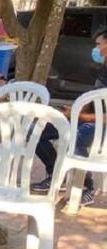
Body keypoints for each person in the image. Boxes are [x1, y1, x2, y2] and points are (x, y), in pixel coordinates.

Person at [31, 28, 107, 206]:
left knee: (75, 138)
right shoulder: (104, 67)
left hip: (99, 124)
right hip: (87, 117)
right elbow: (94, 96)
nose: (95, 49)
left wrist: (81, 116)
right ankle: (54, 174)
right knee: (37, 131)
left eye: (98, 44)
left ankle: (86, 187)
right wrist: (73, 110)